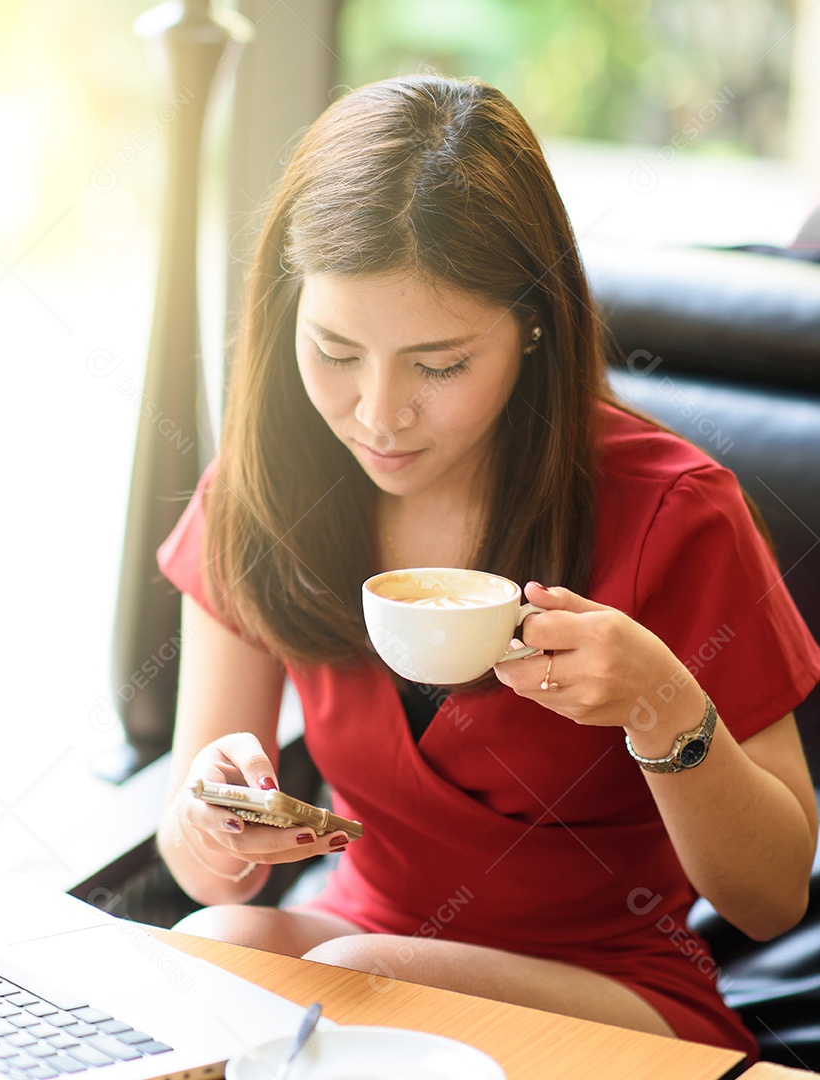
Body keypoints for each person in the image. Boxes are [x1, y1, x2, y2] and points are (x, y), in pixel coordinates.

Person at [153, 73, 820, 1058]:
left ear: (532, 326)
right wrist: (212, 826)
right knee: (206, 945)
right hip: (355, 941)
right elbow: (206, 871)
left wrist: (662, 706)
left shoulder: (675, 512)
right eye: (336, 350)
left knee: (349, 985)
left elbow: (766, 901)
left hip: (606, 990)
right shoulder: (262, 492)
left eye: (439, 364)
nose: (380, 415)